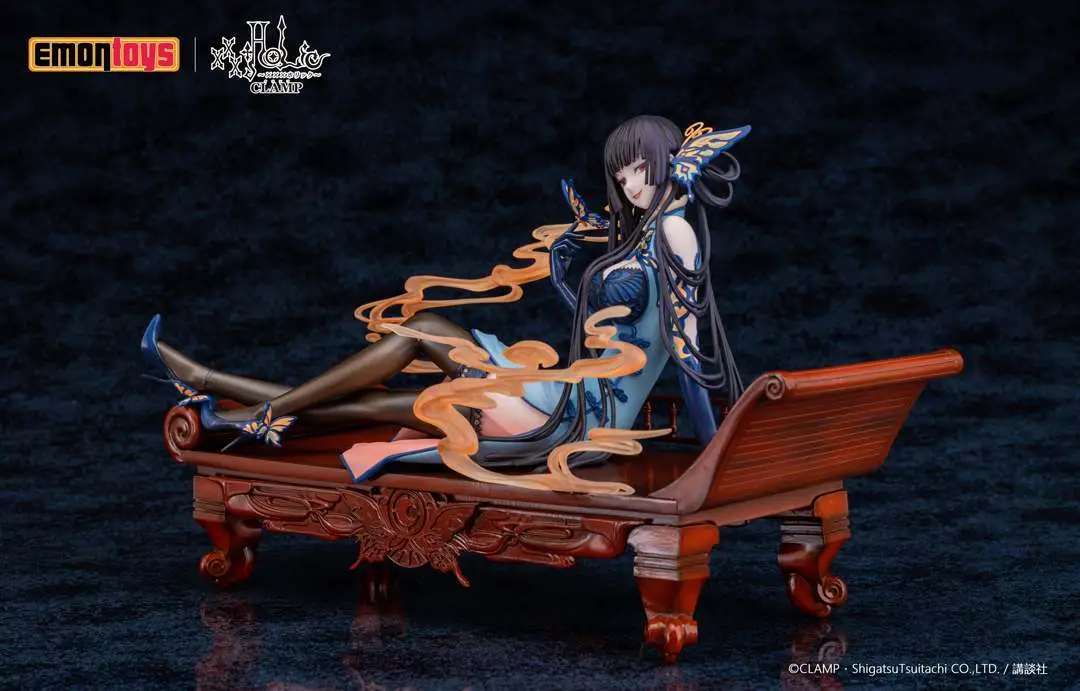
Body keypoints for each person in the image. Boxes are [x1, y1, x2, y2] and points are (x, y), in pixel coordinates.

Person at [142, 115, 748, 482]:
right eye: (620, 174)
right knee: (412, 353)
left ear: (668, 160)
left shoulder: (675, 233)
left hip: (581, 425)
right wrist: (563, 277)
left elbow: (687, 351)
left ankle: (232, 402)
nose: (629, 184)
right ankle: (232, 406)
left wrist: (714, 456)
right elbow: (604, 334)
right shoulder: (645, 234)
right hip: (561, 392)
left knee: (399, 392)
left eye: (638, 168)